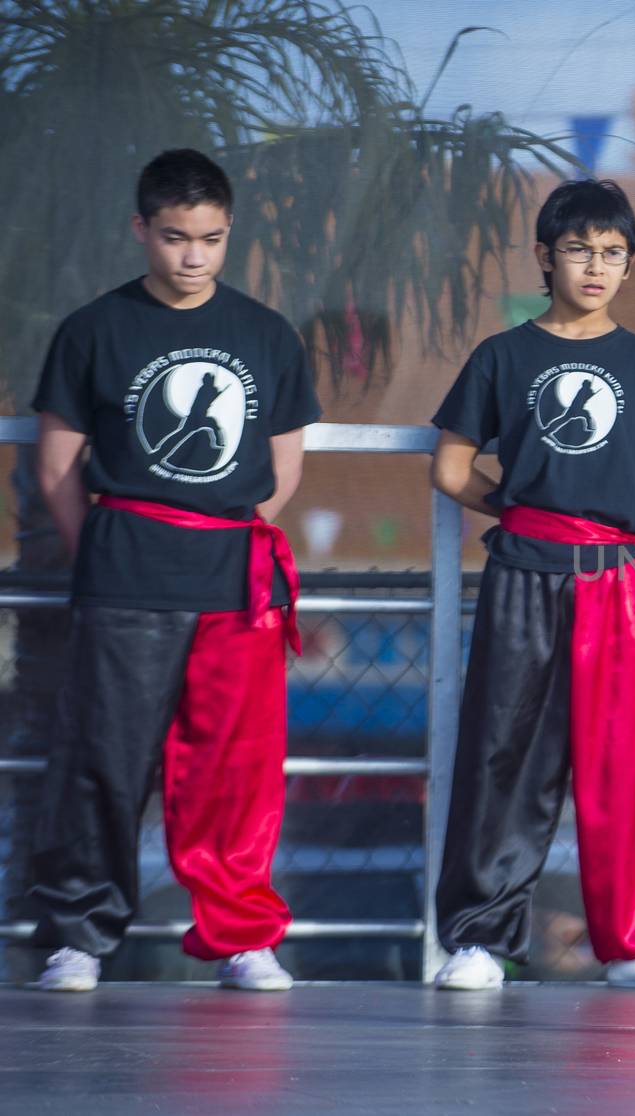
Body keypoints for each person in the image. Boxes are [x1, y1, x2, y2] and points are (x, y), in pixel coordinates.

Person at [29, 148, 320, 993]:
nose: (193, 256)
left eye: (211, 238)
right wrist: (116, 544)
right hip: (123, 571)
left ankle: (239, 937)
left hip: (233, 579)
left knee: (235, 769)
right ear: (141, 230)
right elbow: (56, 469)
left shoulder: (266, 333)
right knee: (103, 758)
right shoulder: (94, 329)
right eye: (175, 237)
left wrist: (219, 536)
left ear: (228, 232)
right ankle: (80, 935)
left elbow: (284, 471)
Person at [430, 179, 635, 992]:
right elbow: (451, 467)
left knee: (624, 763)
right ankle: (479, 939)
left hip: (617, 583)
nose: (595, 266)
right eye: (579, 249)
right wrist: (524, 511)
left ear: (629, 266)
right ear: (544, 258)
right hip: (523, 574)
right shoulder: (502, 355)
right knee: (503, 754)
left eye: (612, 253)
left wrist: (625, 514)